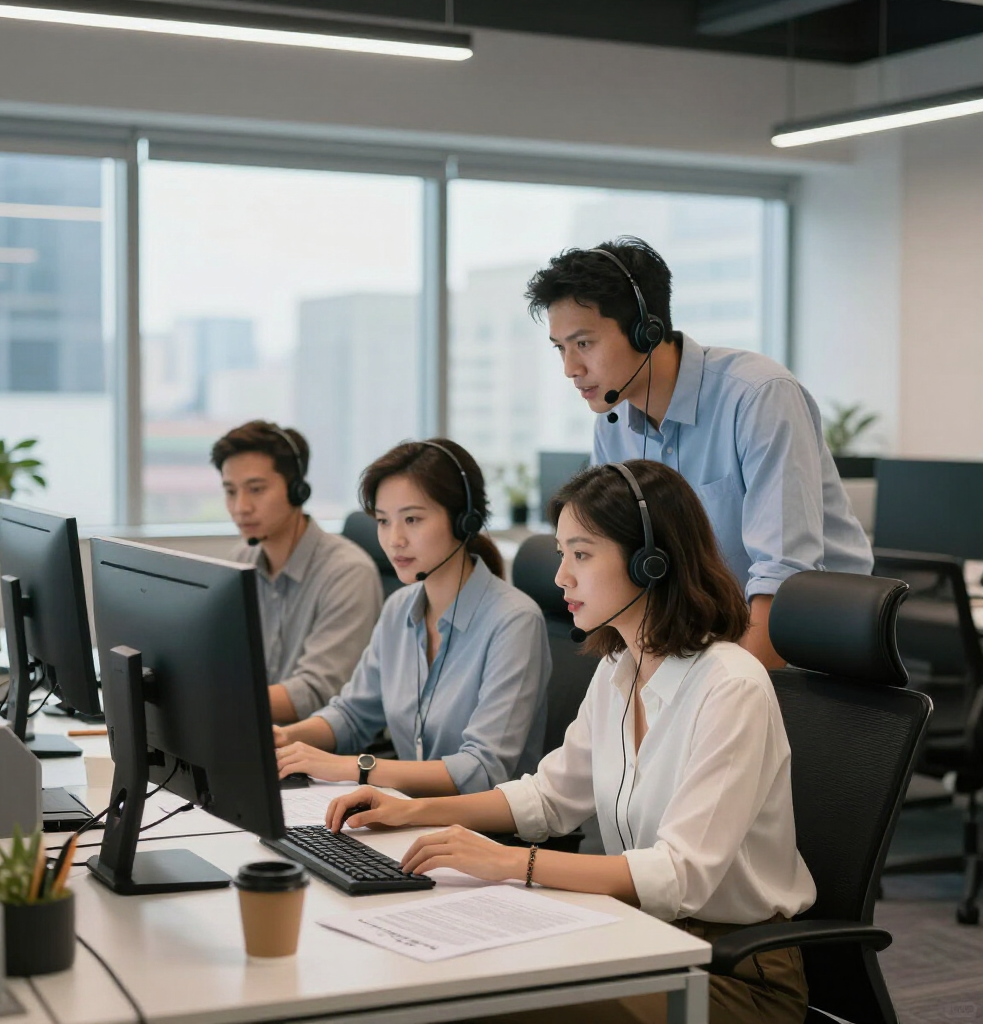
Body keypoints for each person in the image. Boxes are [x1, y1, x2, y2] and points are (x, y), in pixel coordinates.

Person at [324, 460, 816, 1024]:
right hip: (640, 938)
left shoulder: (731, 687)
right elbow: (549, 799)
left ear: (650, 561)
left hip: (732, 974)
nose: (562, 577)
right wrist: (413, 810)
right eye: (562, 554)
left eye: (581, 554)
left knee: (493, 1004)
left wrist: (509, 862)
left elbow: (679, 875)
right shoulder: (618, 669)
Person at [526, 237, 873, 669]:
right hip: (708, 651)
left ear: (645, 329)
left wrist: (714, 704)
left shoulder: (757, 397)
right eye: (561, 348)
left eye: (584, 344)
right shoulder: (613, 430)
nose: (570, 369)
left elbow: (783, 579)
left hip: (812, 654)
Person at [274, 438, 551, 797]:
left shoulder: (514, 622)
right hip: (404, 817)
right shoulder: (398, 609)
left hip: (488, 838)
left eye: (412, 519)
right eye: (383, 521)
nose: (394, 539)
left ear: (464, 520)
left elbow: (482, 768)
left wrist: (354, 768)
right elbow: (354, 714)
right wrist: (285, 738)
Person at [211, 420, 383, 725]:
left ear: (297, 489)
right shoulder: (241, 560)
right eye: (230, 491)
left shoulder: (347, 573)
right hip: (249, 732)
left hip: (316, 753)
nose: (241, 507)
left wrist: (212, 700)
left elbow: (316, 693)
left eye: (256, 489)